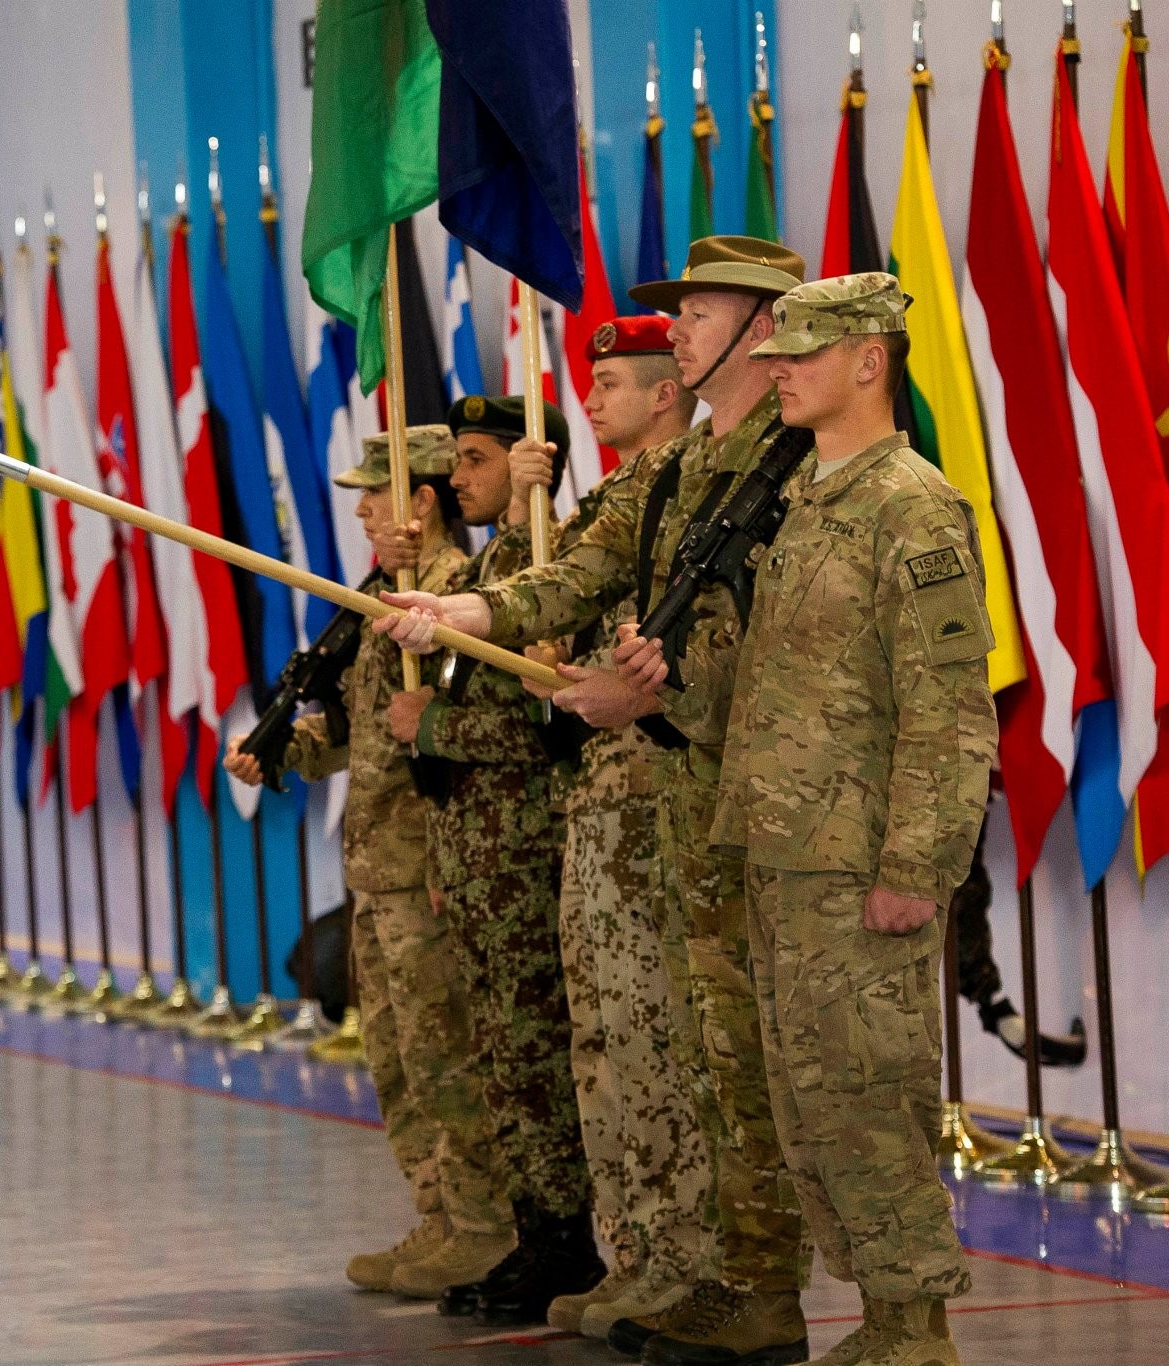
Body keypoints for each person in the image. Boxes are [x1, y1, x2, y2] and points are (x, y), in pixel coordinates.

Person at [375, 237, 814, 1366]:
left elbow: (784, 648)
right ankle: (687, 1266)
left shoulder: (802, 467)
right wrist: (464, 614)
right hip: (672, 800)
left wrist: (645, 693)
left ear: (762, 327)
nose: (674, 327)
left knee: (739, 1067)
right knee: (667, 1055)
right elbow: (579, 572)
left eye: (697, 311)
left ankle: (772, 1284)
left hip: (751, 808)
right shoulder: (679, 472)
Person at [622, 274, 993, 1366]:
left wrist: (915, 867)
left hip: (856, 867)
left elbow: (947, 711)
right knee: (805, 1104)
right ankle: (880, 1318)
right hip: (780, 855)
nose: (775, 369)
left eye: (800, 354)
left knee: (868, 1097)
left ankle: (911, 1326)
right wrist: (655, 688)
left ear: (869, 362)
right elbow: (775, 694)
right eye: (772, 352)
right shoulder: (809, 505)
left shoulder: (908, 506)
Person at [223, 428, 512, 1301]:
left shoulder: (464, 600)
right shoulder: (375, 605)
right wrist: (287, 749)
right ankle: (439, 1217)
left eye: (375, 495)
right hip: (377, 867)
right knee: (396, 1056)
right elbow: (361, 733)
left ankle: (484, 1226)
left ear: (420, 504)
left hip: (433, 865)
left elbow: (477, 731)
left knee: (446, 1055)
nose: (359, 510)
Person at [504, 321, 717, 1341]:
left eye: (608, 383)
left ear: (665, 392)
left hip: (659, 790)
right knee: (604, 1037)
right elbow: (555, 592)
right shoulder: (612, 499)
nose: (586, 400)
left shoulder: (697, 489)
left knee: (658, 1034)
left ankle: (684, 1259)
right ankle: (630, 1250)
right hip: (599, 792)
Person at [378, 396, 603, 1324]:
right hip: (476, 850)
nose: (455, 476)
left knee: (539, 1053)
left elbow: (543, 723)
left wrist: (431, 722)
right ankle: (535, 1232)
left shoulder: (554, 559)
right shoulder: (496, 565)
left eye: (475, 459)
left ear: (526, 462)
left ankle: (567, 1240)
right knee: (504, 1056)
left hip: (527, 846)